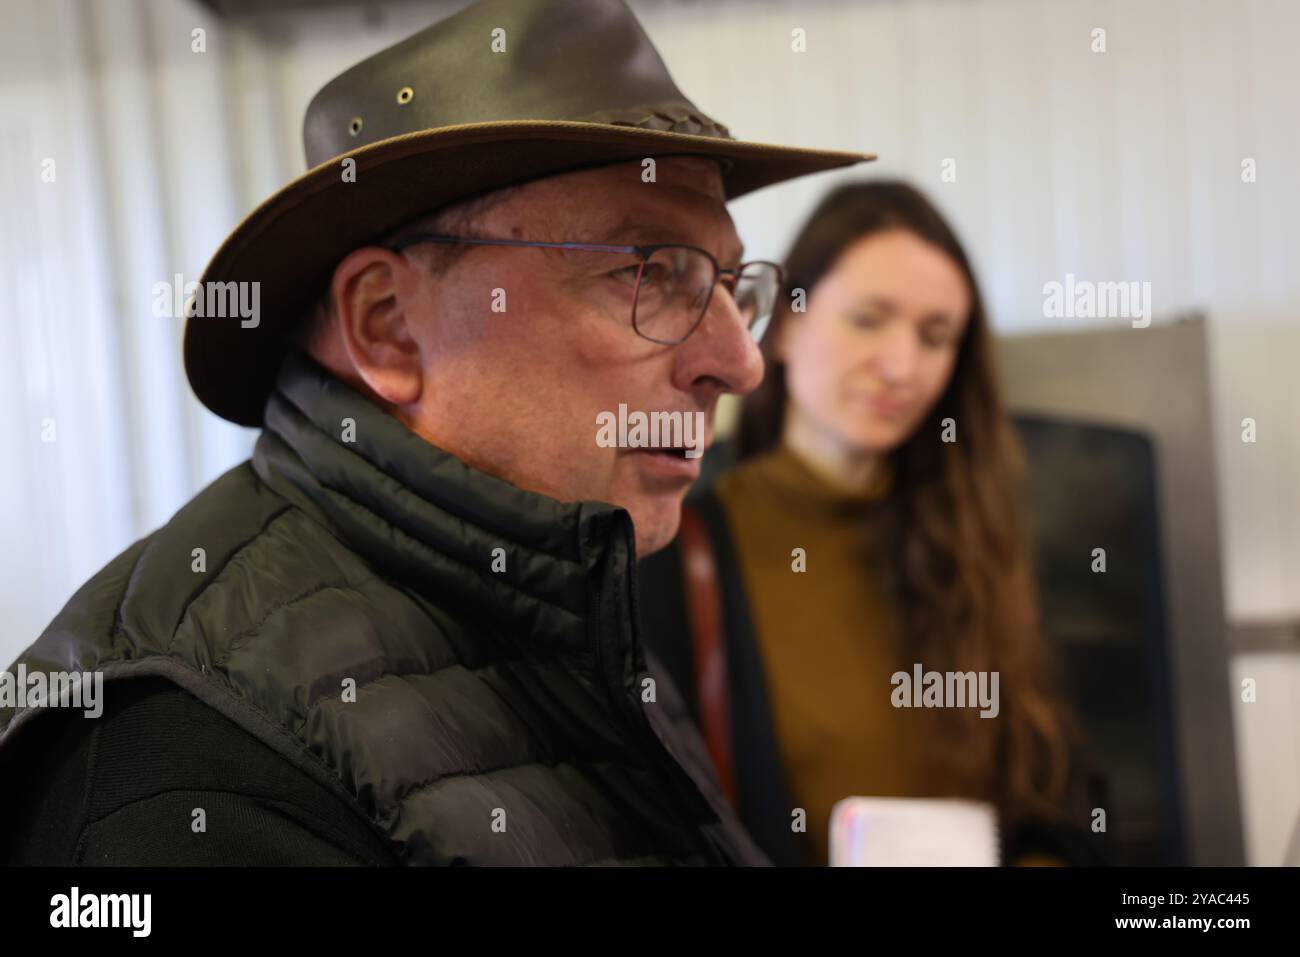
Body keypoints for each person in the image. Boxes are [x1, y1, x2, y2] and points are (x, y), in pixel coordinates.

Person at [0, 0, 871, 865]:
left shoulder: (571, 595)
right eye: (649, 272)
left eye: (726, 283)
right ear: (387, 325)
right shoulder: (188, 759)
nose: (739, 362)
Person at [640, 181, 1104, 866]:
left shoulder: (978, 544)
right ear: (788, 323)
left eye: (935, 335)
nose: (901, 367)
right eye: (869, 319)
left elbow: (1059, 803)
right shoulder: (673, 553)